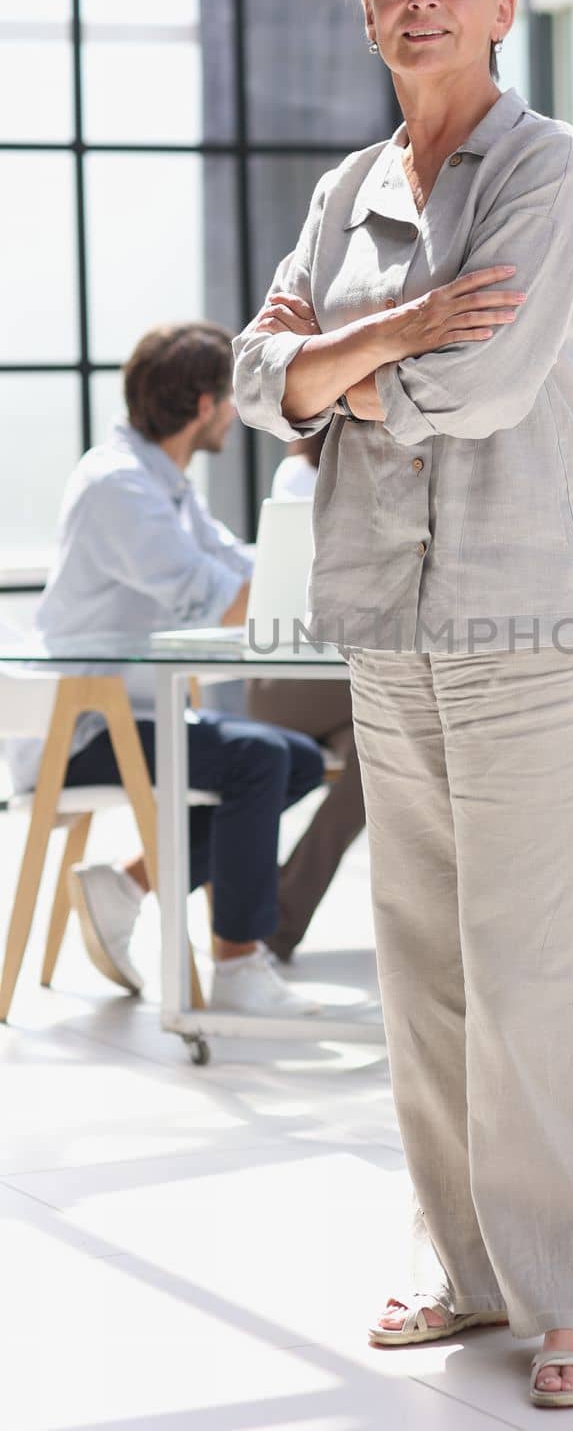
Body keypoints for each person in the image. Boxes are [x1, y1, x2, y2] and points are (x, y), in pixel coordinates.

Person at [232, 0, 573, 1408]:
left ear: (499, 5)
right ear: (366, 13)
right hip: (385, 614)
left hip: (523, 611)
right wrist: (390, 337)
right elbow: (258, 373)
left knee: (537, 967)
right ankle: (470, 1271)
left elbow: (482, 386)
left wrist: (335, 366)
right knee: (422, 966)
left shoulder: (552, 171)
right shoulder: (346, 188)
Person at [8, 322, 326, 1016]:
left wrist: (307, 568)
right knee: (258, 762)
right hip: (85, 730)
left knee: (295, 760)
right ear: (208, 407)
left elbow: (235, 566)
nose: (242, 416)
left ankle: (125, 886)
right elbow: (214, 599)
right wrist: (311, 581)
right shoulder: (119, 488)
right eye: (236, 400)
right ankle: (238, 965)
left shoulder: (166, 486)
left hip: (137, 714)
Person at [245, 422, 367, 962]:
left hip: (343, 681)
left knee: (378, 762)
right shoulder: (301, 475)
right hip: (290, 678)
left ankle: (280, 917)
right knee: (416, 711)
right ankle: (276, 915)